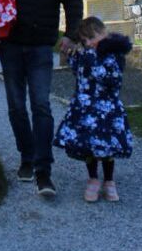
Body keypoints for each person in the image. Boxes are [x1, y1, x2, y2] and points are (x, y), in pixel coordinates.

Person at [0, 0, 83, 197]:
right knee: (16, 108)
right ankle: (27, 156)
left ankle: (43, 170)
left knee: (41, 106)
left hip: (39, 47)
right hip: (10, 44)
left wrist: (71, 35)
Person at [54, 16, 133, 202]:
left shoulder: (113, 54)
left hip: (106, 109)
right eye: (84, 40)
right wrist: (71, 56)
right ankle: (93, 179)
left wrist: (91, 61)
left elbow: (110, 78)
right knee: (86, 145)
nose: (88, 43)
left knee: (106, 146)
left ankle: (109, 181)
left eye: (91, 38)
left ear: (102, 33)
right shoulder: (87, 53)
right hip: (85, 107)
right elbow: (78, 72)